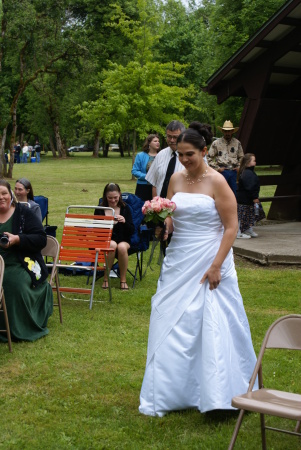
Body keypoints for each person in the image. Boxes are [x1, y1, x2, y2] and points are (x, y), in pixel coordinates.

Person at [139, 122, 257, 417]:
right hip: (180, 256)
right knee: (169, 317)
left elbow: (232, 227)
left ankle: (220, 393)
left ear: (205, 151)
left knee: (212, 321)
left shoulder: (218, 181)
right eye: (180, 154)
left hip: (210, 256)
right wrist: (163, 224)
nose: (184, 160)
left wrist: (217, 265)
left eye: (190, 154)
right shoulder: (176, 180)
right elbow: (173, 215)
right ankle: (171, 392)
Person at [0, 180, 53, 342]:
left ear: (11, 195)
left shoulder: (24, 213)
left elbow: (40, 239)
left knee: (11, 284)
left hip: (21, 262)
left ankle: (16, 329)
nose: (1, 197)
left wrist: (18, 240)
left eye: (4, 193)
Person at [95, 183, 134, 291]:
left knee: (121, 247)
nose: (113, 200)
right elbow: (97, 232)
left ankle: (123, 280)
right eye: (110, 198)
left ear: (120, 195)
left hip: (123, 240)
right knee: (112, 244)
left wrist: (124, 222)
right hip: (105, 240)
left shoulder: (125, 208)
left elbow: (131, 230)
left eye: (115, 198)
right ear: (105, 197)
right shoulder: (99, 209)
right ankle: (106, 279)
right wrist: (108, 224)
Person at [145, 120, 186, 198]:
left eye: (175, 137)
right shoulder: (160, 155)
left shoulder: (191, 157)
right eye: (169, 136)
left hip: (181, 206)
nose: (172, 140)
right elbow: (154, 183)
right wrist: (156, 203)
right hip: (161, 206)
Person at [207, 120, 244, 195]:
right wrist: (217, 168)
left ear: (232, 131)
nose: (227, 133)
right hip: (222, 171)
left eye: (229, 131)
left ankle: (234, 206)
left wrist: (239, 167)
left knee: (234, 193)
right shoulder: (216, 143)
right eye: (226, 131)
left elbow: (242, 157)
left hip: (234, 171)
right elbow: (208, 158)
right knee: (221, 193)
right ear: (223, 131)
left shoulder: (237, 143)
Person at [236, 153, 266, 238]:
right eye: (254, 160)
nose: (255, 162)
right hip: (244, 199)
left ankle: (247, 229)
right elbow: (250, 187)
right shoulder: (248, 173)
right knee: (242, 216)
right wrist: (254, 197)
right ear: (248, 163)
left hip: (247, 199)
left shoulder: (248, 172)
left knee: (249, 215)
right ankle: (238, 232)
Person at [132, 134, 160, 201]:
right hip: (143, 187)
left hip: (158, 187)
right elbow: (135, 171)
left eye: (158, 141)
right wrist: (148, 177)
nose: (158, 143)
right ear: (149, 143)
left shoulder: (161, 155)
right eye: (155, 141)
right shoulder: (140, 155)